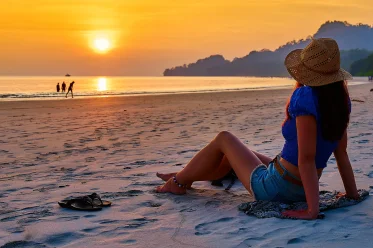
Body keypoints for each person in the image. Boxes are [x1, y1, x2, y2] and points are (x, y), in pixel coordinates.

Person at [154, 38, 360, 220]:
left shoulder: (305, 97)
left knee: (224, 138)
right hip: (298, 184)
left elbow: (305, 159)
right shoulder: (340, 101)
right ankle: (186, 174)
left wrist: (311, 211)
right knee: (237, 155)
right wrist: (352, 194)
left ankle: (178, 182)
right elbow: (341, 154)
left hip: (276, 188)